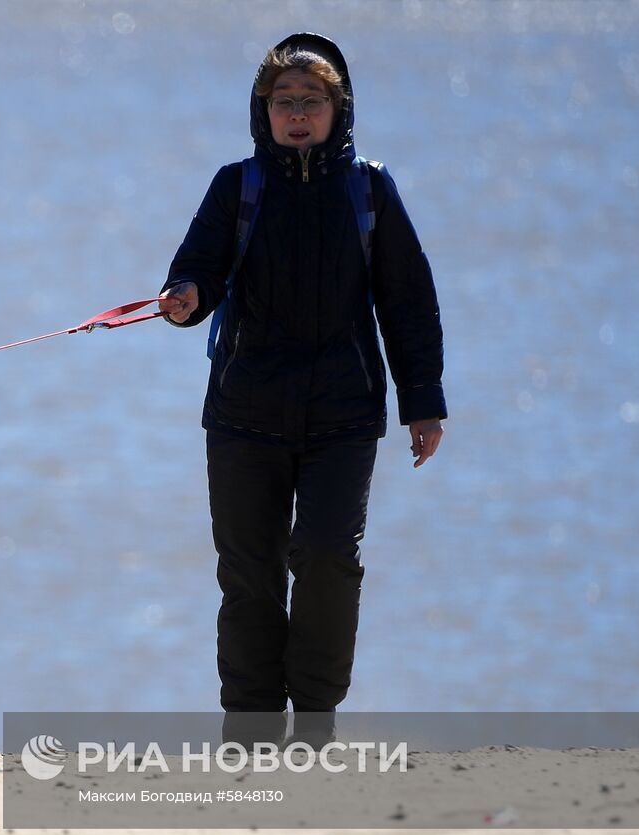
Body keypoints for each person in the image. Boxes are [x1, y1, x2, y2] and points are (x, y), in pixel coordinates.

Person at [157, 33, 446, 746]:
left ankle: (315, 719)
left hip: (343, 417)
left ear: (338, 108)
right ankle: (251, 727)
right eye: (283, 102)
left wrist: (424, 402)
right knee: (250, 574)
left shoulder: (369, 189)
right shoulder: (239, 186)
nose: (296, 114)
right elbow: (198, 268)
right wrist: (186, 296)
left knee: (325, 558)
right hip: (243, 414)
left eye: (310, 102)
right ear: (263, 110)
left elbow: (407, 301)